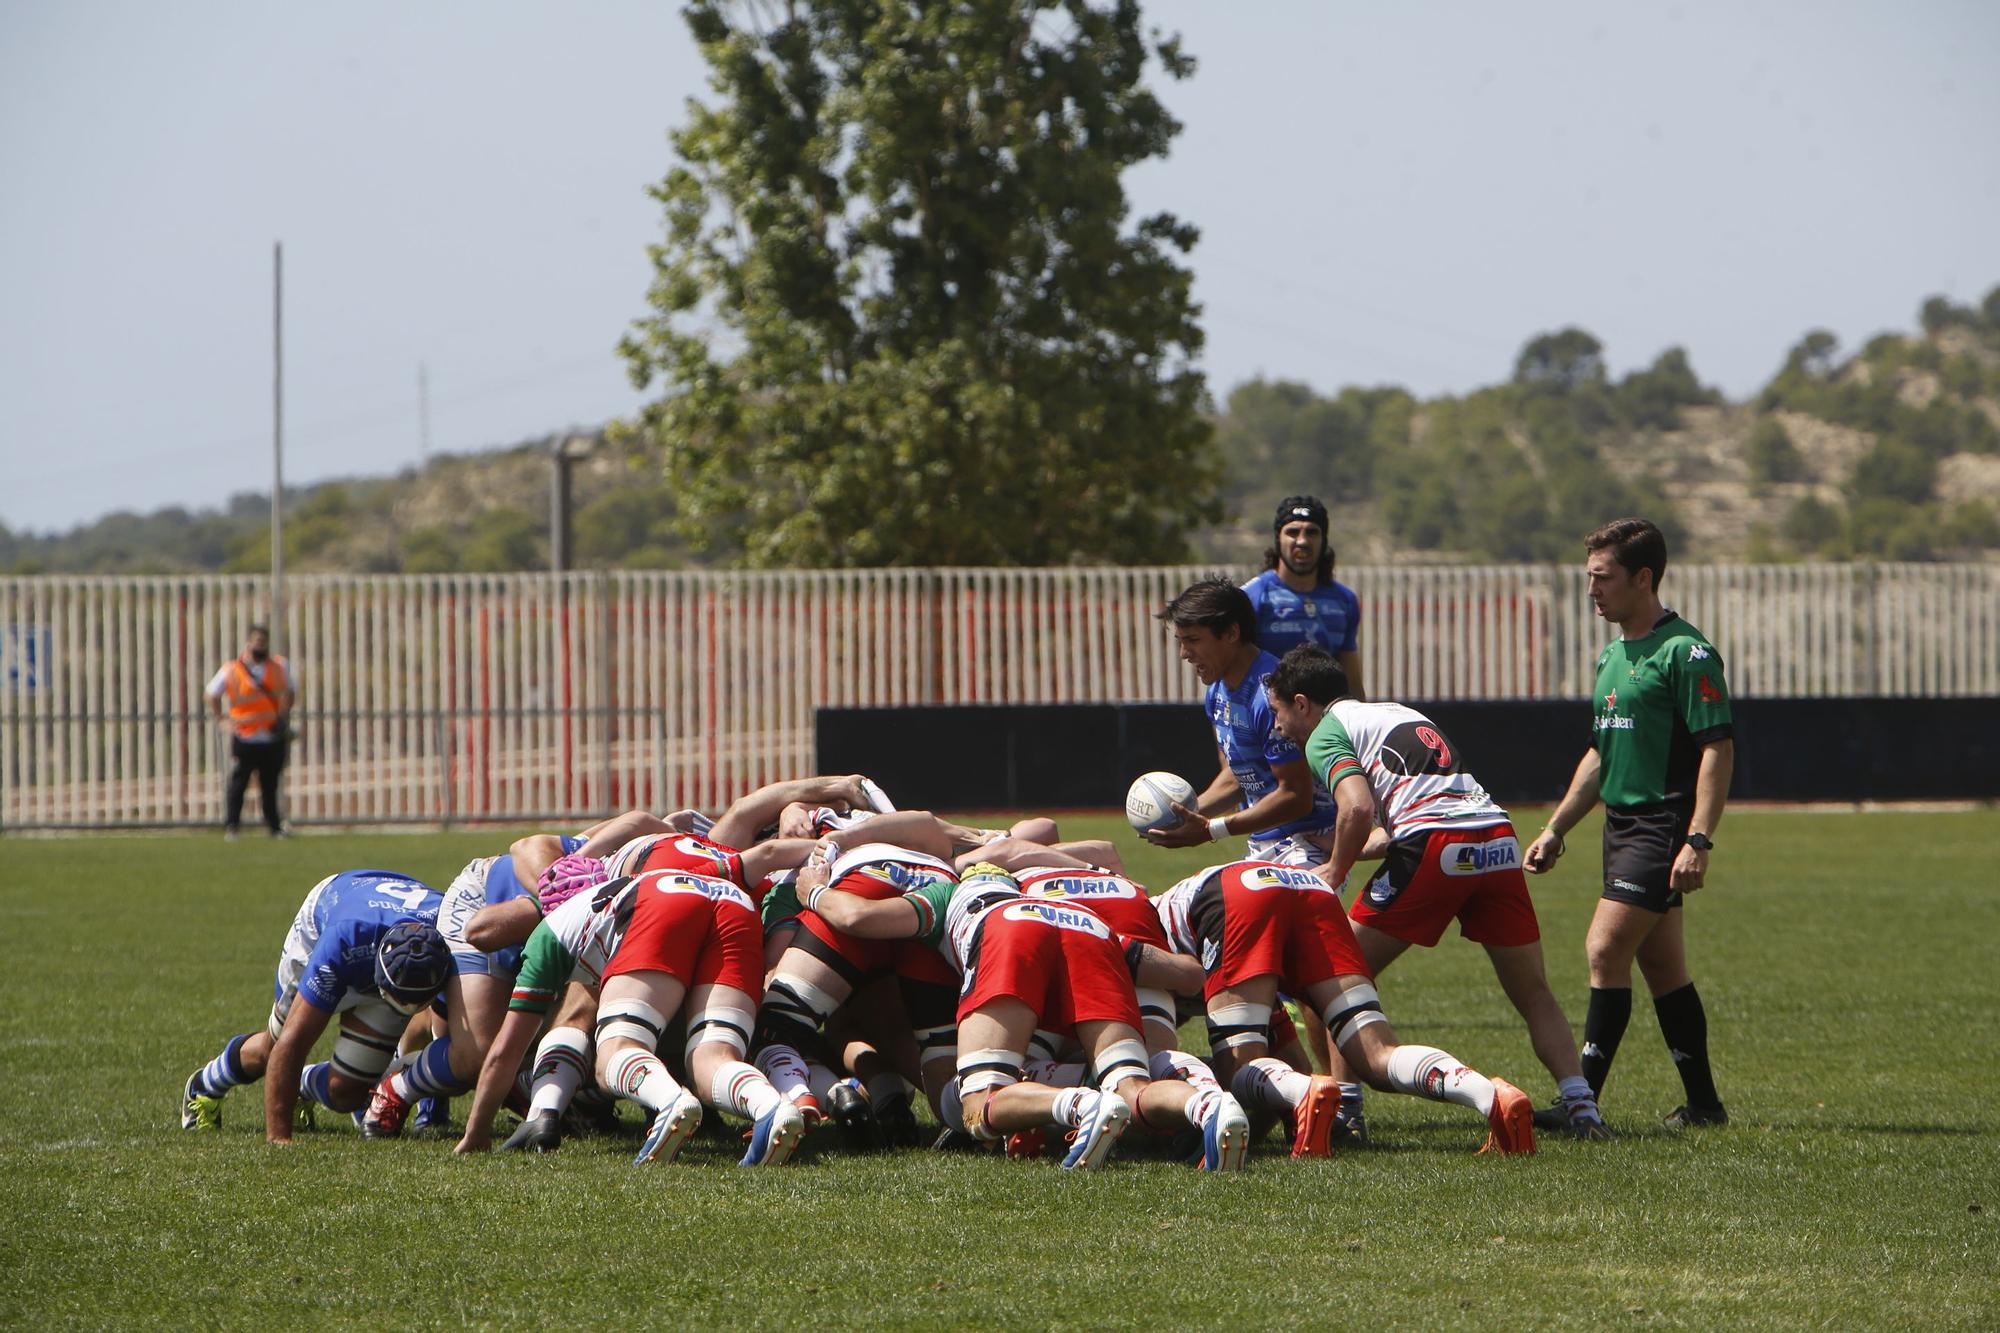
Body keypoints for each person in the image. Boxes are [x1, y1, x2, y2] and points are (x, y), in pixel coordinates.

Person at [1265, 644, 1609, 1140]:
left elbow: (1357, 809)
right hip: (1495, 840)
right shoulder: (1394, 712)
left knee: (1329, 976)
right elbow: (1412, 816)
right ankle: (1582, 1107)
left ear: (1302, 703)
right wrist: (1340, 850)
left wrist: (1334, 872)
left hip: (1438, 846)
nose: (1277, 727)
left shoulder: (1325, 734)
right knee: (1532, 990)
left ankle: (1346, 1112)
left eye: (1278, 713)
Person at [801, 860, 1252, 1171]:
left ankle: (1081, 1104)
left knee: (977, 1103)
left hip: (1008, 932)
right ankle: (1208, 1104)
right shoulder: (1042, 888)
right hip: (1091, 929)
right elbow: (1186, 974)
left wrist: (815, 891)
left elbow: (860, 918)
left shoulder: (942, 892)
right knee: (1133, 1086)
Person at [1523, 517, 1734, 1130]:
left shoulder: (1686, 653)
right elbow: (1599, 755)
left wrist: (1697, 838)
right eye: (1588, 577)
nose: (1592, 589)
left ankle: (1580, 1104)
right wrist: (1557, 828)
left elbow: (1718, 749)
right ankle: (1704, 1107)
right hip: (1622, 826)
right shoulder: (1613, 655)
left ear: (1642, 578)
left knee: (1603, 948)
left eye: (1602, 577)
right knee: (1663, 968)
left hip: (1664, 822)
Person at [1152, 858, 1536, 1156]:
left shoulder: (1136, 959)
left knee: (1238, 1070)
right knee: (1377, 1054)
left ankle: (1306, 1095)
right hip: (1310, 890)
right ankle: (1490, 1096)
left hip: (1236, 896)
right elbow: (1293, 1063)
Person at [179, 869, 450, 1143]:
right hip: (324, 927)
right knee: (273, 1047)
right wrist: (279, 1139)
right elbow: (292, 1043)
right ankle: (205, 1084)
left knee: (347, 1093)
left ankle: (300, 1085)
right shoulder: (340, 945)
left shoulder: (451, 934)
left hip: (383, 928)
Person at [1144, 579, 1336, 866]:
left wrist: (1211, 830)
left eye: (1193, 640)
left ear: (1232, 633)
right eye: (1180, 641)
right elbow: (1238, 776)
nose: (1184, 654)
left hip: (1308, 844)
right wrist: (1183, 814)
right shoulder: (1217, 692)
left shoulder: (1271, 697)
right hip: (1263, 842)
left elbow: (1297, 796)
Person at [1242, 495, 1365, 701]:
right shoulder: (1251, 598)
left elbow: (1352, 683)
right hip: (1267, 726)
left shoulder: (1345, 601)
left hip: (1323, 727)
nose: (1302, 540)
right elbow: (1231, 679)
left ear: (1323, 540)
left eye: (1312, 532)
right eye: (1292, 532)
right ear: (1278, 539)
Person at [206, 625, 294, 839]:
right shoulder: (233, 669)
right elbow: (211, 693)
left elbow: (290, 691)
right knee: (239, 783)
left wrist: (282, 716)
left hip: (271, 735)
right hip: (245, 735)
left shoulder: (279, 666)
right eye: (256, 641)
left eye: (263, 642)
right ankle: (233, 826)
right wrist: (222, 720)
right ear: (248, 643)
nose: (259, 646)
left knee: (270, 785)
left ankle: (274, 827)